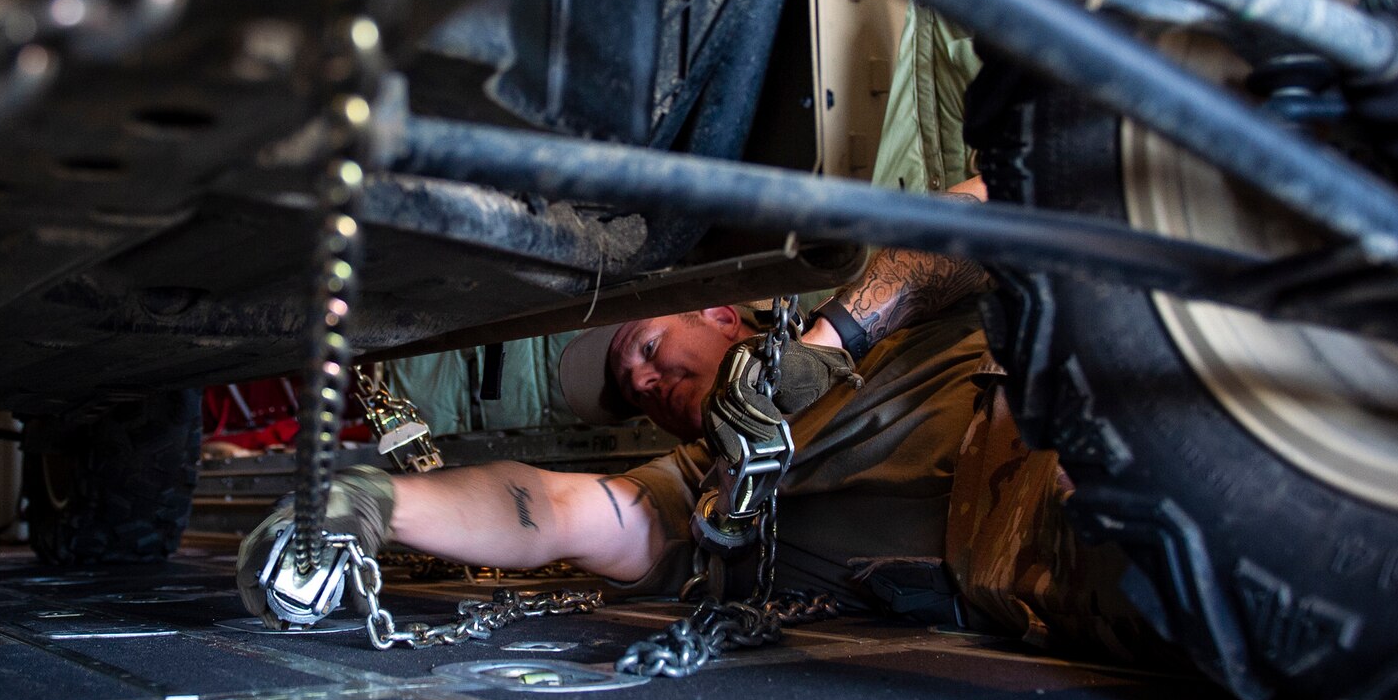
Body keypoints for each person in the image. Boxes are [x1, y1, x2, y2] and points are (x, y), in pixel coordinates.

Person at [237, 175, 1156, 658]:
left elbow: (998, 205)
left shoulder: (856, 306)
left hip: (1095, 426)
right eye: (628, 393)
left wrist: (835, 340)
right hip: (1052, 568)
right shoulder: (712, 487)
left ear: (720, 309)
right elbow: (551, 509)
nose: (642, 383)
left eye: (642, 349)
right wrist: (367, 502)